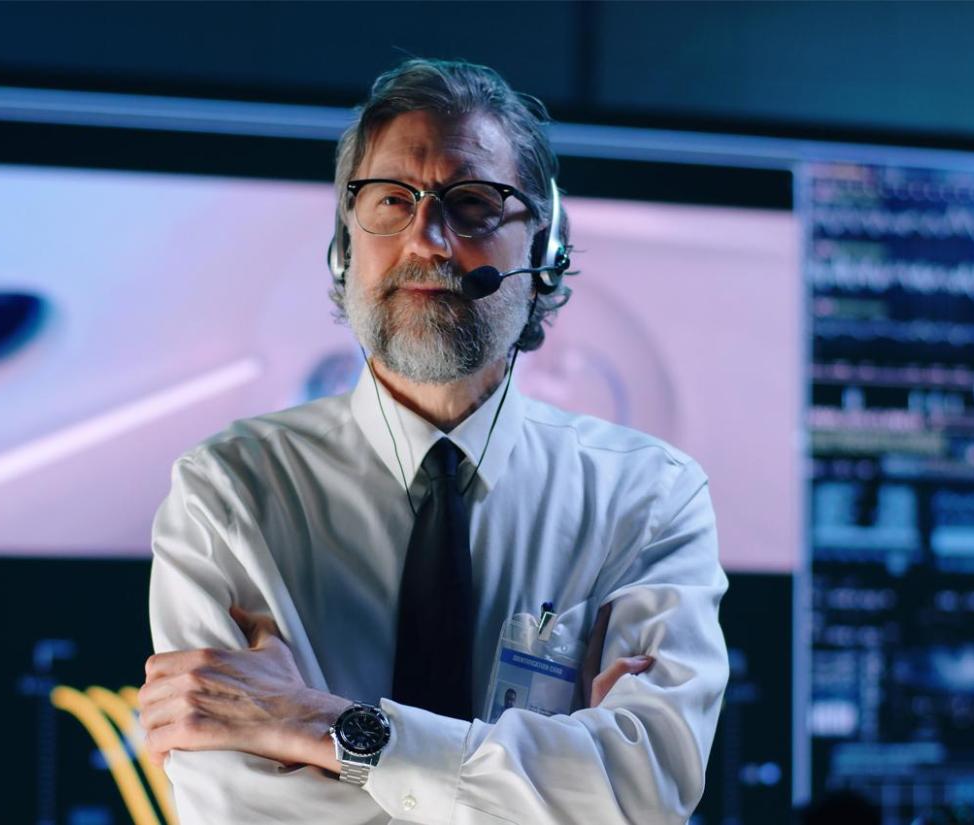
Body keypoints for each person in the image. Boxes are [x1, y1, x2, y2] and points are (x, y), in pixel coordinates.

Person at [137, 58, 728, 825]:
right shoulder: (229, 493)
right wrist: (550, 777)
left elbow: (641, 789)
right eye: (390, 200)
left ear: (541, 249)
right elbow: (240, 811)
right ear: (344, 247)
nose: (426, 237)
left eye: (473, 203)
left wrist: (322, 727)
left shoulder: (647, 498)